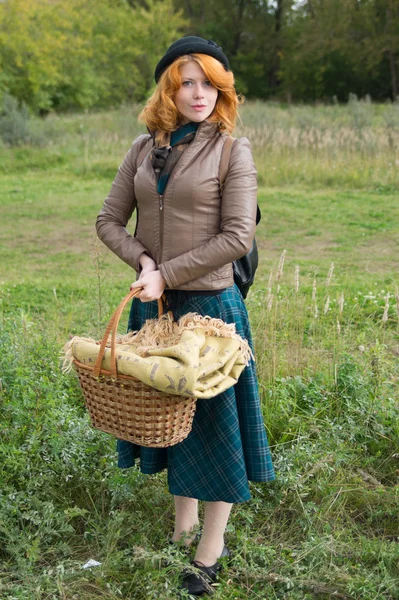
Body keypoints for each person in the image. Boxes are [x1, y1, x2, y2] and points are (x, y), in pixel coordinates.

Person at [96, 35, 275, 596]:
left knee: (214, 428)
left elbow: (236, 235)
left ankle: (209, 550)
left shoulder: (231, 150)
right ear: (168, 89)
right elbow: (107, 220)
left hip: (212, 315)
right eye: (186, 82)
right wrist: (144, 260)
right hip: (157, 311)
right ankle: (182, 525)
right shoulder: (142, 148)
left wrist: (166, 274)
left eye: (210, 83)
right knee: (168, 422)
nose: (199, 94)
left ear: (222, 88)